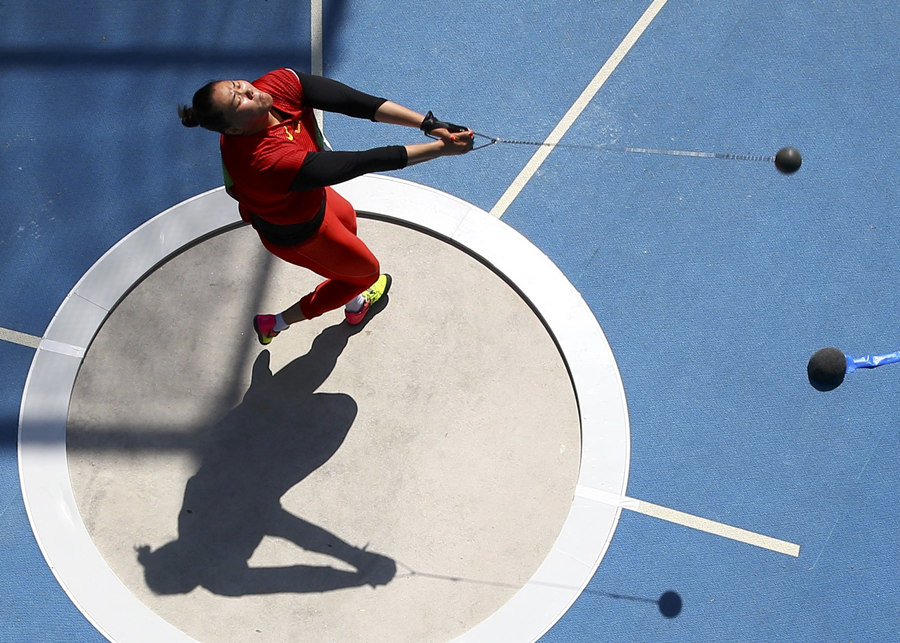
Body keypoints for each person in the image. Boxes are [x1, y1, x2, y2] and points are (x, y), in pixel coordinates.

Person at [179, 68, 473, 344]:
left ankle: (353, 298)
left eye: (236, 85)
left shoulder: (276, 85)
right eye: (237, 100)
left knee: (348, 222)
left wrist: (430, 125)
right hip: (299, 234)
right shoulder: (266, 161)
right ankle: (276, 323)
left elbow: (356, 102)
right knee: (367, 273)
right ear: (232, 130)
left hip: (311, 199)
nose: (247, 90)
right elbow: (363, 162)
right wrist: (441, 150)